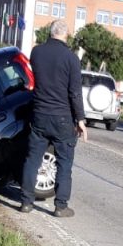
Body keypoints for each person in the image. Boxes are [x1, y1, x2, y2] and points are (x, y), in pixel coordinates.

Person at [20, 19, 87, 217]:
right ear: (66, 35)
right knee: (64, 163)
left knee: (32, 159)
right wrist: (81, 120)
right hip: (63, 118)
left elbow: (33, 79)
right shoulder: (72, 59)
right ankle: (60, 206)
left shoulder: (36, 52)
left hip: (39, 114)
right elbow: (75, 93)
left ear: (50, 33)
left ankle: (26, 202)